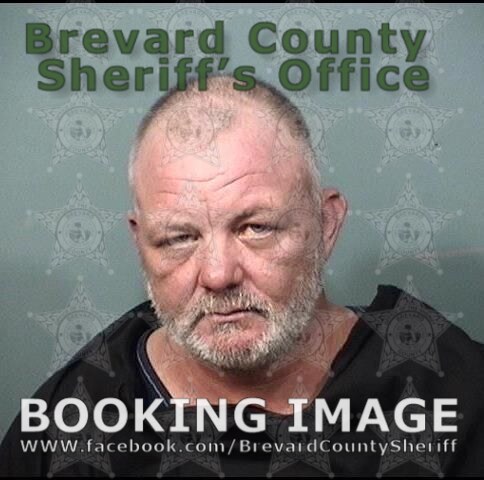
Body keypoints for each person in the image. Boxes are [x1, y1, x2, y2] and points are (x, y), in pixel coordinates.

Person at [1, 74, 483, 477]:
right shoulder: (66, 431)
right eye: (179, 238)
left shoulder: (455, 394)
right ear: (140, 243)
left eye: (256, 228)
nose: (217, 275)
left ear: (326, 225)